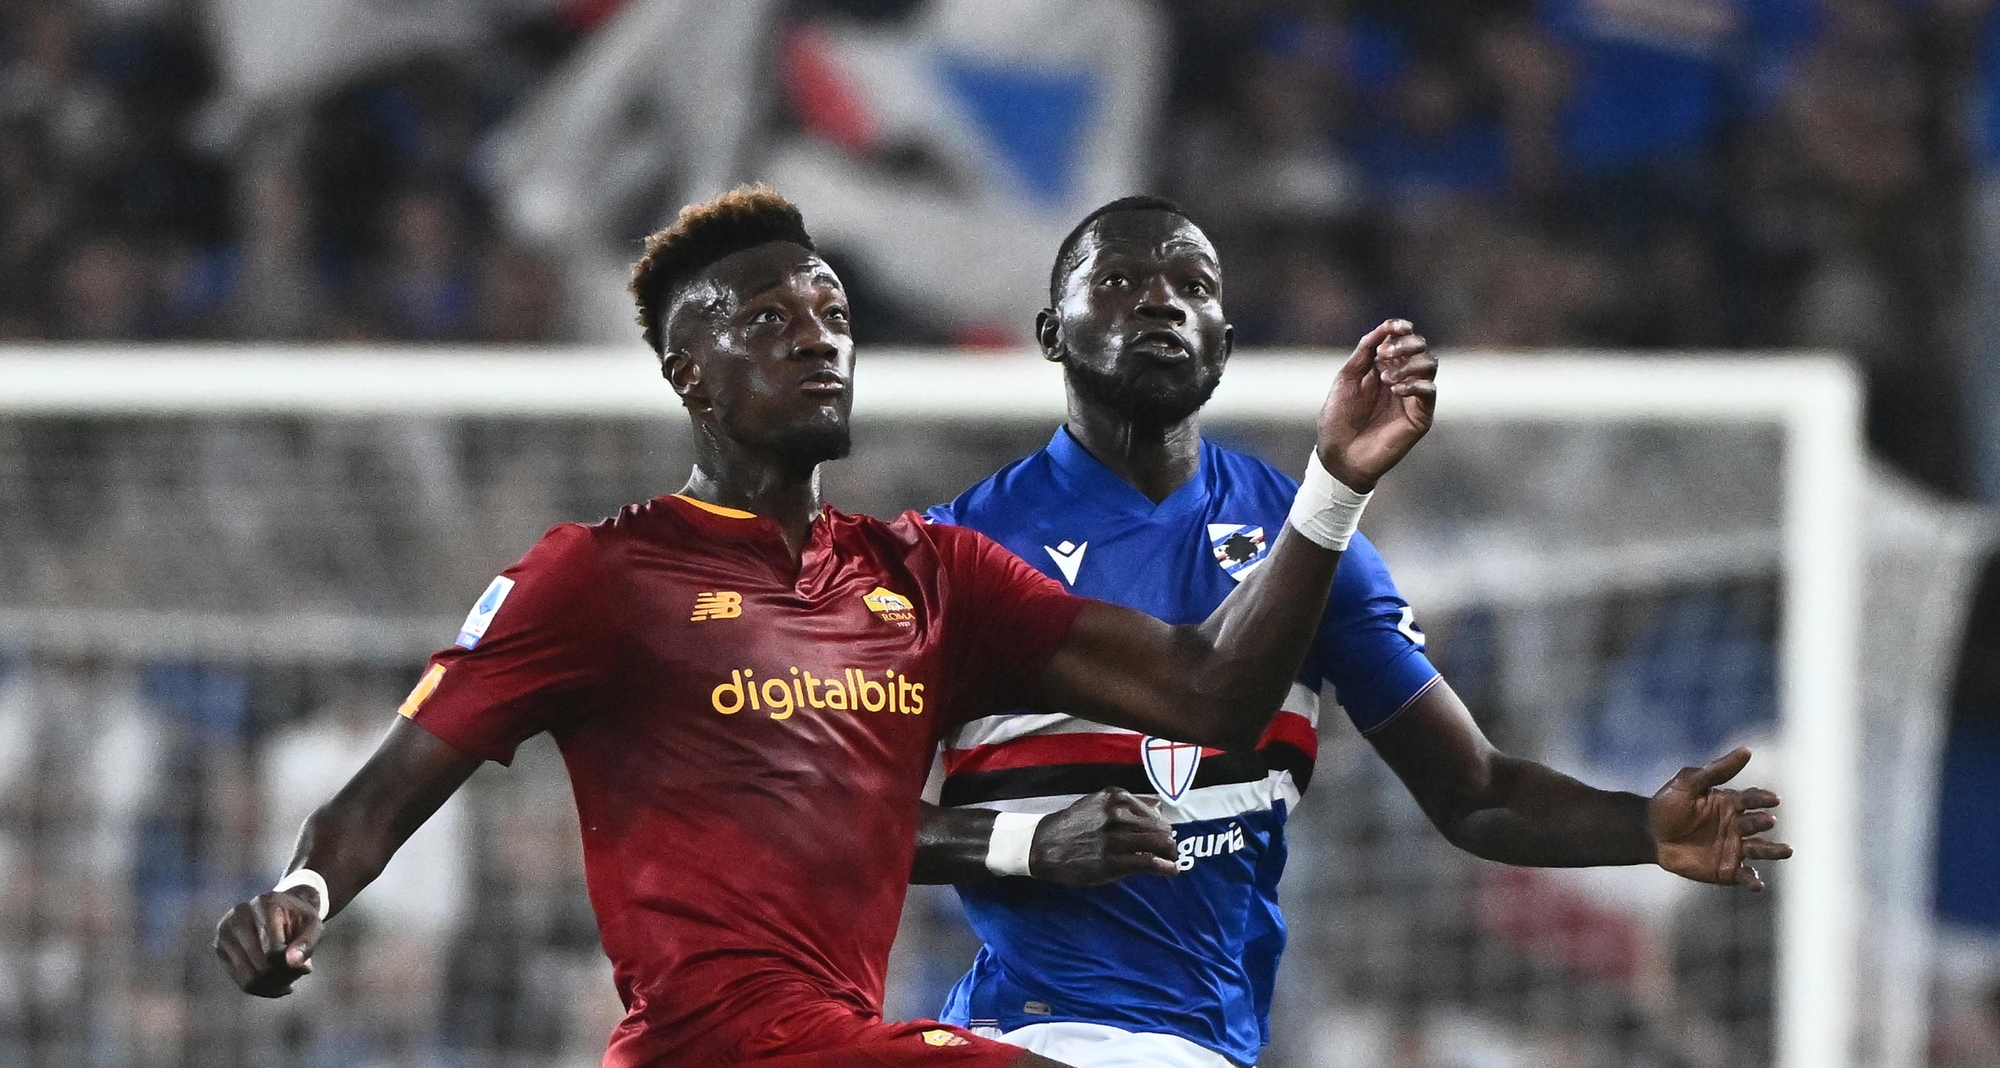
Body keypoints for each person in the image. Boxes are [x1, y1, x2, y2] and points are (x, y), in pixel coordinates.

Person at [212, 185, 1440, 1068]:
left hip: (841, 1036)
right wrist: (303, 891)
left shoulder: (928, 576)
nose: (816, 335)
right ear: (688, 373)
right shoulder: (600, 575)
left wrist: (1331, 484)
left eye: (833, 310)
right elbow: (383, 792)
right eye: (767, 319)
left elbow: (1211, 692)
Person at [913, 195, 1791, 1068]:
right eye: (1116, 280)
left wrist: (1642, 828)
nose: (1160, 301)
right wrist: (1029, 843)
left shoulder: (1302, 536)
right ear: (1051, 332)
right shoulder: (956, 550)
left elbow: (1475, 791)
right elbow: (856, 818)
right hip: (1026, 1032)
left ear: (1223, 342)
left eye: (1192, 284)